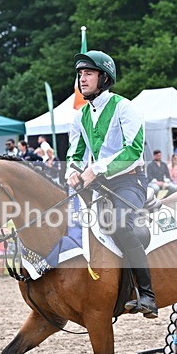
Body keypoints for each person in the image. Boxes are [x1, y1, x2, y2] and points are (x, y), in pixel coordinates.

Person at [66, 49, 157, 318]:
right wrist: (72, 171)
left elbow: (134, 151)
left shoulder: (125, 108)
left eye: (89, 74)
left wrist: (96, 169)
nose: (83, 79)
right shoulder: (81, 115)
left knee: (118, 224)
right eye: (81, 74)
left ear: (104, 78)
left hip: (129, 181)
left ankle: (148, 294)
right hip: (96, 184)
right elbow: (75, 152)